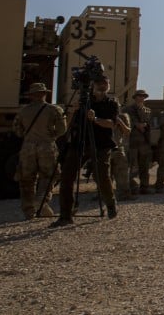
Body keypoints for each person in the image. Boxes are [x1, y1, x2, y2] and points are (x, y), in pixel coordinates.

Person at [50, 73, 120, 226]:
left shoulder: (112, 103)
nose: (102, 86)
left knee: (102, 176)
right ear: (93, 85)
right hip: (80, 142)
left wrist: (95, 119)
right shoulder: (84, 102)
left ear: (108, 85)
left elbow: (111, 124)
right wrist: (73, 111)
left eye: (105, 83)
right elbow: (67, 125)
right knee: (67, 176)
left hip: (101, 144)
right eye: (99, 83)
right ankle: (65, 215)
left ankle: (110, 204)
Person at [12, 82, 66, 220]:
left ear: (31, 96)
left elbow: (17, 131)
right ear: (44, 94)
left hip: (27, 147)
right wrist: (51, 135)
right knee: (49, 175)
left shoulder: (23, 111)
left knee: (26, 180)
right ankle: (41, 201)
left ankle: (29, 211)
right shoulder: (54, 109)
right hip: (47, 146)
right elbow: (62, 129)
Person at [123, 90, 154, 195]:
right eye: (139, 96)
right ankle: (133, 187)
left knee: (145, 166)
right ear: (135, 97)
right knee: (133, 166)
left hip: (144, 141)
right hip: (132, 142)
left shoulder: (147, 110)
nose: (141, 98)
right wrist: (137, 124)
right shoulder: (128, 110)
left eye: (143, 96)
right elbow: (127, 123)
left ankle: (144, 187)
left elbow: (149, 125)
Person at [109, 110, 133, 202]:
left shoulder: (122, 117)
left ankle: (124, 194)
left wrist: (119, 121)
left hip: (118, 148)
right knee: (104, 175)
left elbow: (127, 131)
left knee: (122, 173)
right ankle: (104, 194)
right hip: (104, 149)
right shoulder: (100, 117)